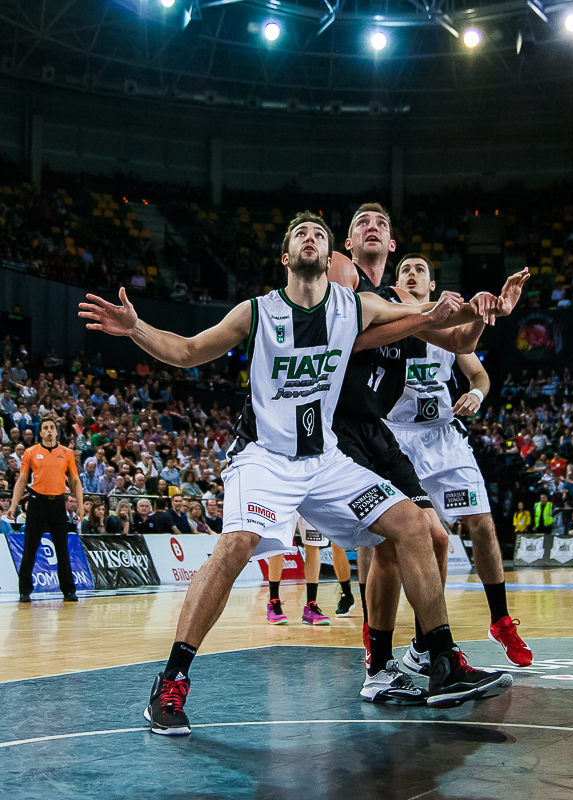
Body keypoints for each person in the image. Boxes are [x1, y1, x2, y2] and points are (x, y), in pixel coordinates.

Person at [79, 209, 513, 737]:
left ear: (330, 256)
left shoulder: (355, 307)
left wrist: (483, 306)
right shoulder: (257, 311)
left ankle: (441, 660)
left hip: (324, 461)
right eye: (301, 234)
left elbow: (427, 314)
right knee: (234, 546)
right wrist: (136, 328)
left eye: (319, 234)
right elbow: (188, 351)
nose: (311, 238)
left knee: (415, 525)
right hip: (264, 458)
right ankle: (171, 681)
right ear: (287, 257)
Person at [326, 205, 527, 672]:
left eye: (381, 223)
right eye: (362, 223)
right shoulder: (346, 277)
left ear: (392, 241)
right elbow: (348, 333)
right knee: (384, 543)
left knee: (438, 537)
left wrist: (488, 310)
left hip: (402, 433)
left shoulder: (405, 304)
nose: (373, 227)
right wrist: (429, 315)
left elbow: (461, 343)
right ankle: (381, 653)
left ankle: (429, 648)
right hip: (351, 429)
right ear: (349, 244)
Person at [381, 252, 532, 670]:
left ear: (433, 285)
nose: (412, 274)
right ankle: (404, 639)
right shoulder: (387, 319)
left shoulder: (447, 326)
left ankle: (500, 620)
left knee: (482, 523)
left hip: (443, 437)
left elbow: (478, 372)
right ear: (396, 285)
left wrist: (477, 394)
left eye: (420, 270)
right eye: (405, 270)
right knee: (410, 542)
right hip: (396, 438)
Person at [8, 416, 83, 602]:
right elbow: (22, 480)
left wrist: (80, 505)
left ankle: (68, 590)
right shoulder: (30, 452)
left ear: (56, 432)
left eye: (52, 428)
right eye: (46, 428)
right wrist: (13, 504)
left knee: (62, 548)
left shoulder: (67, 453)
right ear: (40, 433)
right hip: (37, 502)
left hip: (58, 503)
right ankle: (24, 590)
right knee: (30, 547)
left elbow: (75, 481)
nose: (49, 431)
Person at [267, 514, 330, 626]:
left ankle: (311, 605)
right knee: (278, 544)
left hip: (311, 503)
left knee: (313, 545)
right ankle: (274, 602)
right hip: (286, 503)